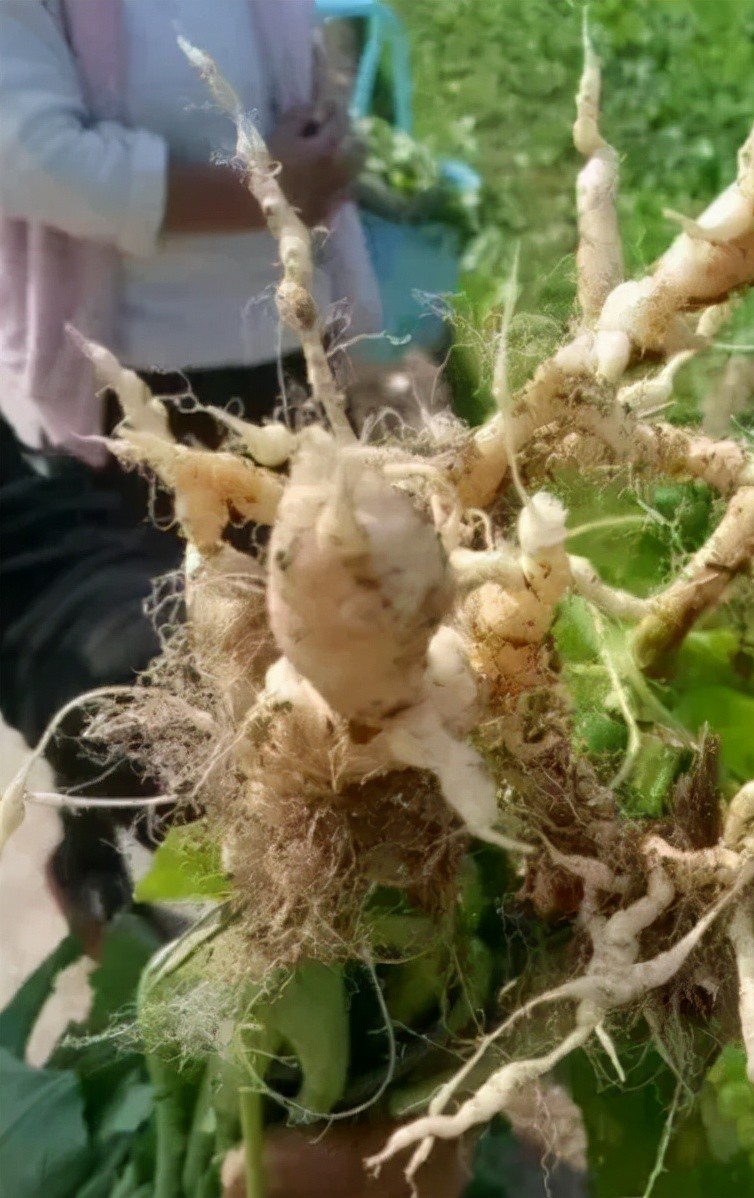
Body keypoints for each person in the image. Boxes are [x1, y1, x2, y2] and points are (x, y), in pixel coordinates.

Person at [0, 0, 380, 947]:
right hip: (132, 389)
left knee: (288, 642)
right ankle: (110, 875)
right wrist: (259, 187)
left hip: (279, 351)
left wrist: (323, 143)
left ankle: (294, 896)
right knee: (151, 676)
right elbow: (32, 156)